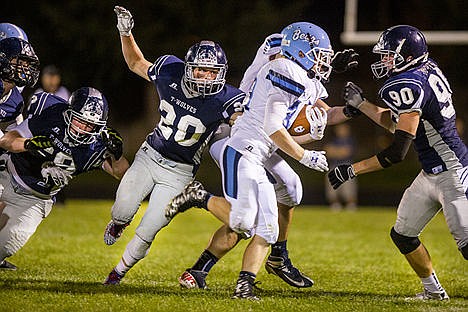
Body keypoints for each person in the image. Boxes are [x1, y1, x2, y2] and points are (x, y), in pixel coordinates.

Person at [166, 22, 358, 299]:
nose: (325, 62)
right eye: (320, 55)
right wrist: (305, 155)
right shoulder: (281, 62)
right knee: (246, 221)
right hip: (237, 136)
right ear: (302, 50)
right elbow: (274, 126)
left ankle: (249, 272)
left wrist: (354, 110)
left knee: (278, 207)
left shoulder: (303, 75)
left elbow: (316, 114)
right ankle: (199, 197)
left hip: (261, 146)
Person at [102, 6, 245, 286]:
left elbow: (246, 120)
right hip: (149, 155)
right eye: (200, 70)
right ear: (188, 68)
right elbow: (136, 63)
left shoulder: (227, 98)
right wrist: (125, 32)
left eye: (211, 71)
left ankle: (117, 273)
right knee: (122, 209)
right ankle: (119, 223)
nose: (205, 77)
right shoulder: (170, 70)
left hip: (179, 173)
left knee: (149, 228)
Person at [328, 25, 467, 300]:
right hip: (430, 172)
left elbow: (396, 152)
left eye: (390, 56)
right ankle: (433, 291)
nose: (384, 62)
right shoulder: (423, 72)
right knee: (403, 234)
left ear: (408, 56)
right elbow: (398, 124)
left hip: (453, 171)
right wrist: (362, 104)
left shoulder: (408, 85)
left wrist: (351, 170)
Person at [0, 86, 129, 269]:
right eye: (79, 121)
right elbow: (6, 140)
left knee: (6, 244)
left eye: (90, 125)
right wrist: (29, 144)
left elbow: (122, 174)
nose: (83, 129)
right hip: (7, 172)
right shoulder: (52, 112)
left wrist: (118, 155)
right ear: (69, 114)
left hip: (34, 200)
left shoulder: (98, 146)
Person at [0, 36, 40, 270]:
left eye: (27, 63)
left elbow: (15, 132)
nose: (25, 68)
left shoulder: (15, 97)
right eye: (19, 61)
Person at [323, 123, 358, 211]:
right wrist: (339, 152)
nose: (341, 131)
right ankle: (335, 205)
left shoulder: (350, 140)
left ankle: (351, 205)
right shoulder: (333, 140)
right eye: (339, 129)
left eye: (343, 129)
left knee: (348, 188)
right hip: (334, 166)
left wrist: (335, 151)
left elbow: (346, 152)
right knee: (333, 188)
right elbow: (328, 151)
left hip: (347, 167)